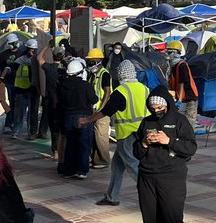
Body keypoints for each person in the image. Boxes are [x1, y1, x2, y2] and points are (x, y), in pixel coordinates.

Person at [134, 86, 199, 223]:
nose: (155, 108)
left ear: (166, 103)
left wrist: (168, 140)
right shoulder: (146, 122)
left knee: (172, 222)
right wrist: (144, 143)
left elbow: (190, 148)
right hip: (147, 177)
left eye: (159, 104)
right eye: (152, 105)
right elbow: (136, 151)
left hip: (171, 177)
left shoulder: (179, 121)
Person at [96, 61, 149, 207]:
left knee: (133, 165)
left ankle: (151, 191)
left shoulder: (121, 91)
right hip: (142, 132)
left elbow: (106, 111)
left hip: (126, 134)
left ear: (120, 74)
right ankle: (112, 196)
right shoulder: (144, 88)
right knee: (117, 166)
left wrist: (87, 119)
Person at [58, 58, 99, 179]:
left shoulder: (63, 85)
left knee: (70, 144)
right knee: (83, 145)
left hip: (68, 116)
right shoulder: (85, 85)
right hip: (84, 117)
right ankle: (81, 170)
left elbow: (61, 101)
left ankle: (69, 170)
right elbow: (94, 99)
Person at [86, 49, 113, 168]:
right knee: (95, 135)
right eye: (89, 61)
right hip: (93, 109)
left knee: (101, 136)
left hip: (102, 110)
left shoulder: (104, 74)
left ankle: (104, 160)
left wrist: (102, 107)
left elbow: (108, 91)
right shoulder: (93, 74)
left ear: (99, 61)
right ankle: (96, 159)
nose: (90, 64)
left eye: (92, 61)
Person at [8, 39, 39, 139]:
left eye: (34, 50)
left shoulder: (38, 61)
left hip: (32, 91)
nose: (32, 52)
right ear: (27, 49)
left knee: (32, 114)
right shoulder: (20, 60)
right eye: (31, 50)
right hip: (21, 90)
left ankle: (31, 132)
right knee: (19, 113)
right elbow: (11, 69)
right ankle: (16, 131)